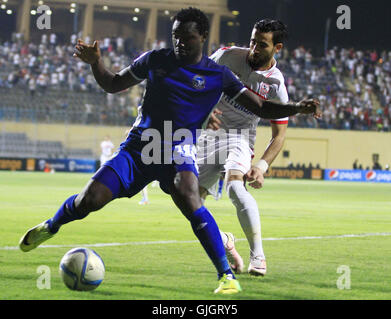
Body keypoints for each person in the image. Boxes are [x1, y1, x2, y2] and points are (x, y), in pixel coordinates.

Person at [18, 7, 319, 294]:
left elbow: (263, 107)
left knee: (189, 195)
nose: (179, 42)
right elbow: (111, 84)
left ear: (201, 38)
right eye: (175, 35)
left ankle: (226, 276)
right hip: (140, 146)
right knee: (90, 200)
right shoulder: (155, 60)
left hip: (178, 149)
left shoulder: (219, 75)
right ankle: (51, 226)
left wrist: (297, 108)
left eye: (186, 37)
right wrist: (96, 62)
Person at [197, 19, 320, 276]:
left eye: (261, 44)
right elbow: (197, 80)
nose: (253, 48)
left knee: (234, 188)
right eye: (252, 41)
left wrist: (262, 167)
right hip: (208, 136)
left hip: (240, 137)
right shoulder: (227, 56)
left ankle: (258, 256)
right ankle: (226, 241)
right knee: (190, 204)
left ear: (277, 47)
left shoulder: (276, 85)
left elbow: (279, 134)